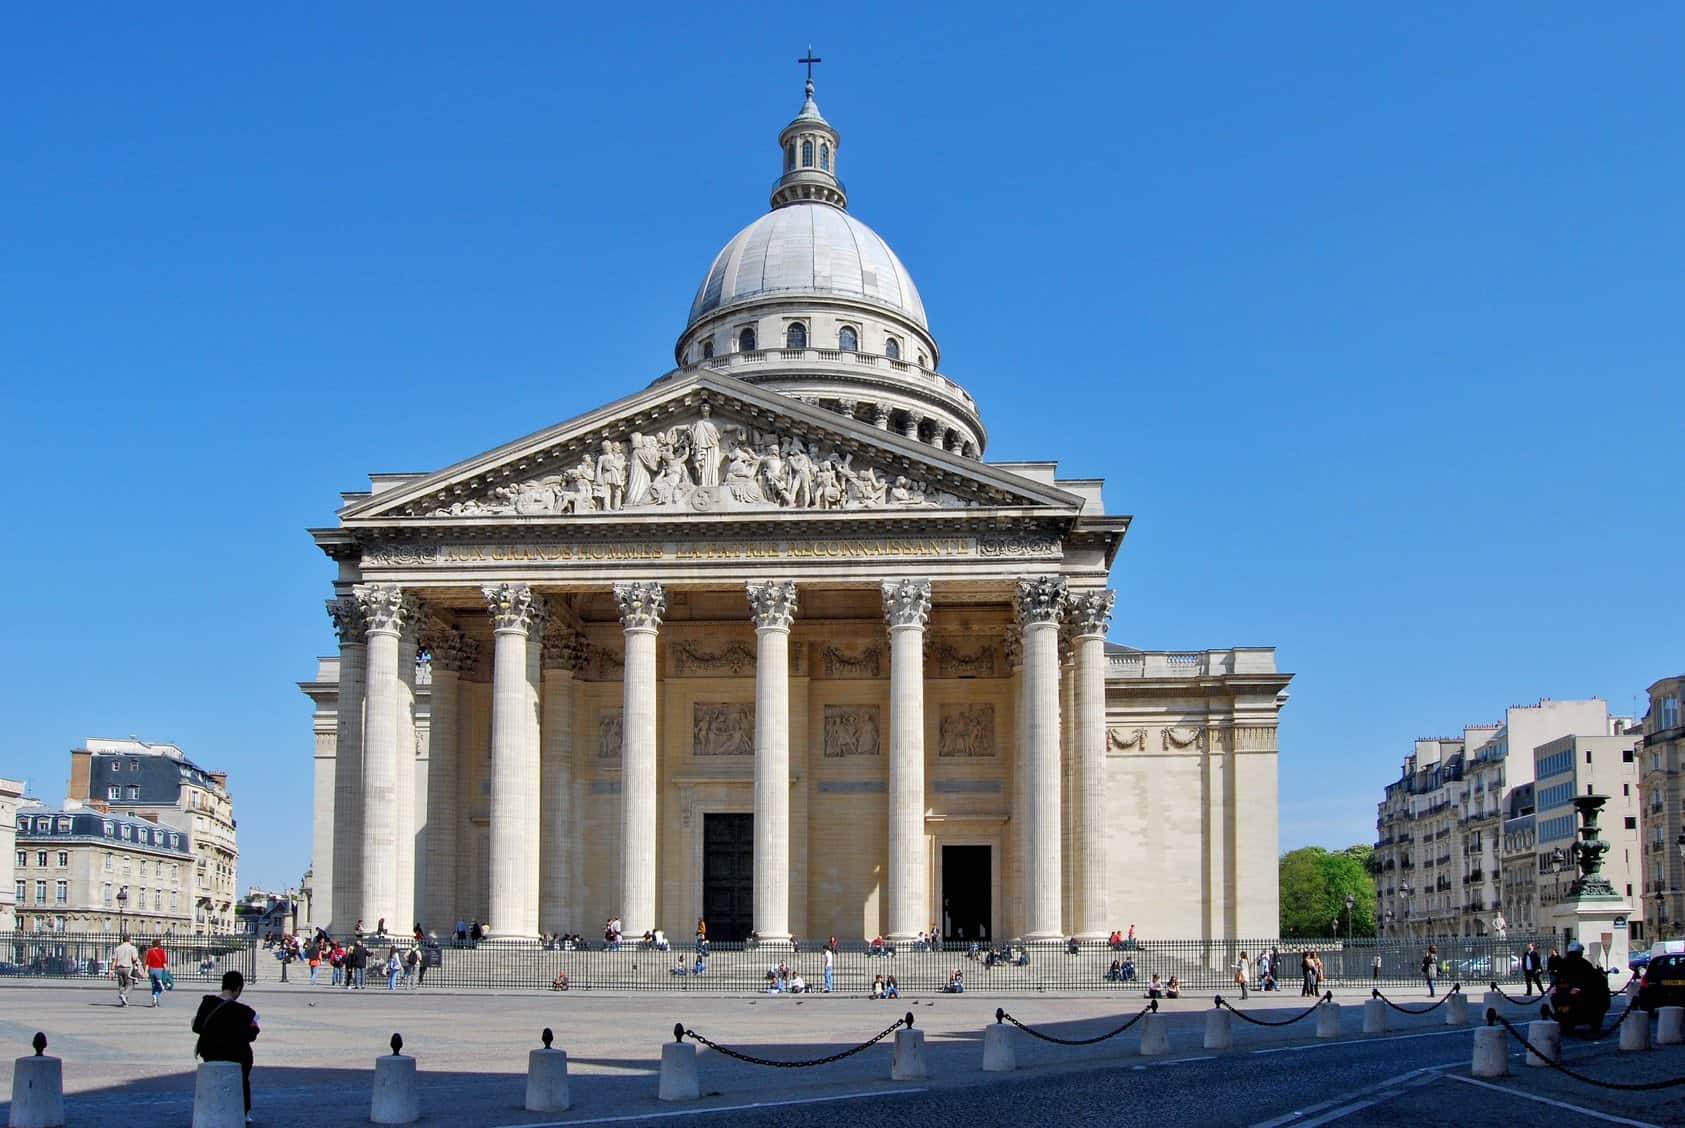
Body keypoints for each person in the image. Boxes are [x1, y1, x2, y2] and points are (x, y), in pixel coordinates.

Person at [193, 970, 260, 1123]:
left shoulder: (207, 1003)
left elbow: (197, 1027)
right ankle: (243, 1111)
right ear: (238, 988)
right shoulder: (244, 1011)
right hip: (236, 1055)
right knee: (242, 1081)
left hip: (210, 1052)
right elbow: (251, 1035)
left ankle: (212, 1106)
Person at [111, 936, 141, 1007]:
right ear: (129, 940)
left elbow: (114, 960)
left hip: (119, 968)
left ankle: (124, 1002)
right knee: (130, 984)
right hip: (128, 968)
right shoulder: (132, 948)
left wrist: (111, 970)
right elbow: (134, 958)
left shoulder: (118, 948)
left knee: (121, 985)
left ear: (123, 940)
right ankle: (123, 995)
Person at [144, 939, 170, 1007]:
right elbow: (164, 962)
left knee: (154, 985)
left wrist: (145, 972)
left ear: (153, 944)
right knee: (161, 987)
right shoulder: (161, 951)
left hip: (152, 970)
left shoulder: (150, 951)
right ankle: (156, 995)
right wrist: (167, 970)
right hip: (159, 970)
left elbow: (147, 963)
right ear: (159, 944)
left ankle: (155, 1000)